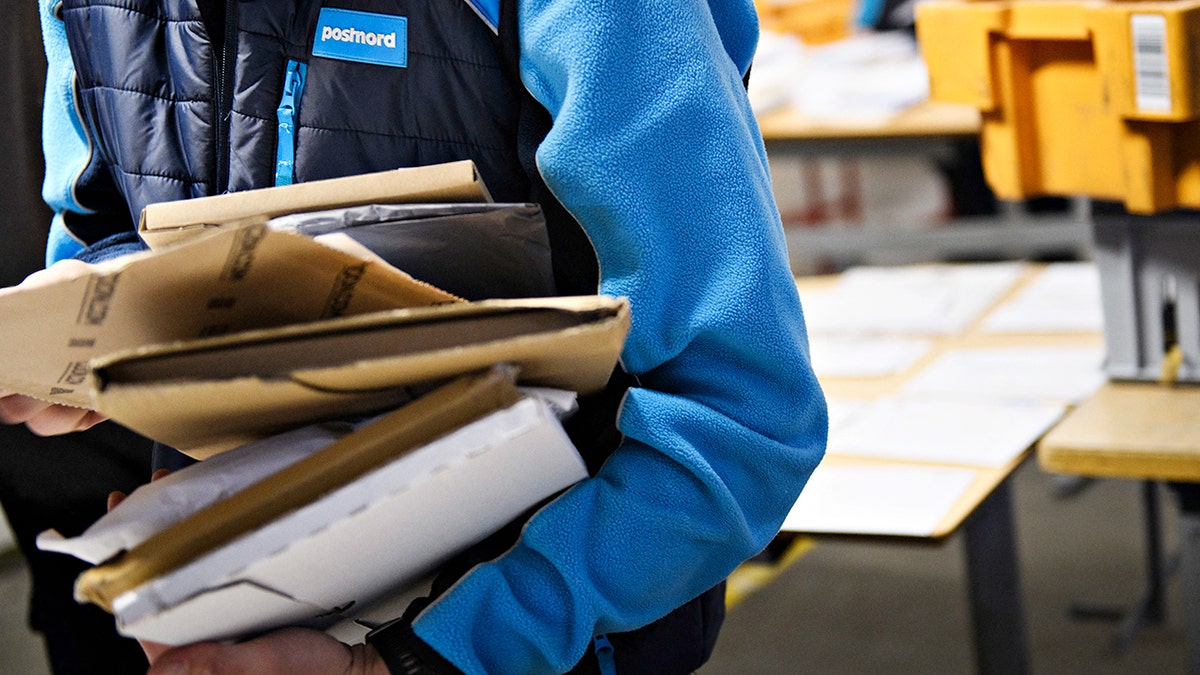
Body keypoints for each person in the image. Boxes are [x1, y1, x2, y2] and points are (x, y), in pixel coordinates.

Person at [3, 0, 829, 672]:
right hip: (227, 616)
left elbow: (741, 422)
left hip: (529, 638)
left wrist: (417, 660)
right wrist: (84, 336)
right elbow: (101, 220)